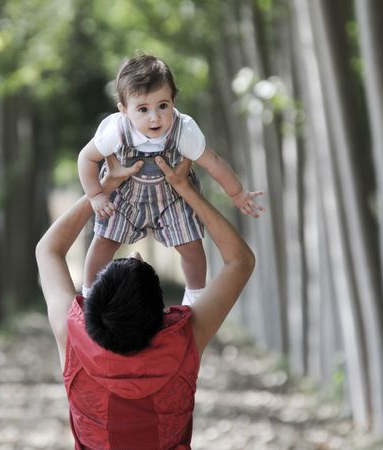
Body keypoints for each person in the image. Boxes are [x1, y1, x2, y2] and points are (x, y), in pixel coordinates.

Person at [36, 155, 255, 449]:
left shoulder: (72, 333)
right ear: (162, 315)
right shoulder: (184, 339)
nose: (135, 253)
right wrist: (186, 191)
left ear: (93, 303)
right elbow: (240, 260)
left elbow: (47, 250)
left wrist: (101, 188)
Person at [77, 54, 263, 306]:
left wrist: (237, 194)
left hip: (172, 198)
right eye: (143, 109)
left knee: (192, 247)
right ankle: (90, 295)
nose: (155, 117)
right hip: (124, 196)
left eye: (162, 106)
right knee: (104, 241)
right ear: (124, 110)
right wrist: (96, 195)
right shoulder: (116, 130)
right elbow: (86, 159)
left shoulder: (183, 130)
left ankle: (195, 298)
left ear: (173, 101)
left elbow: (213, 162)